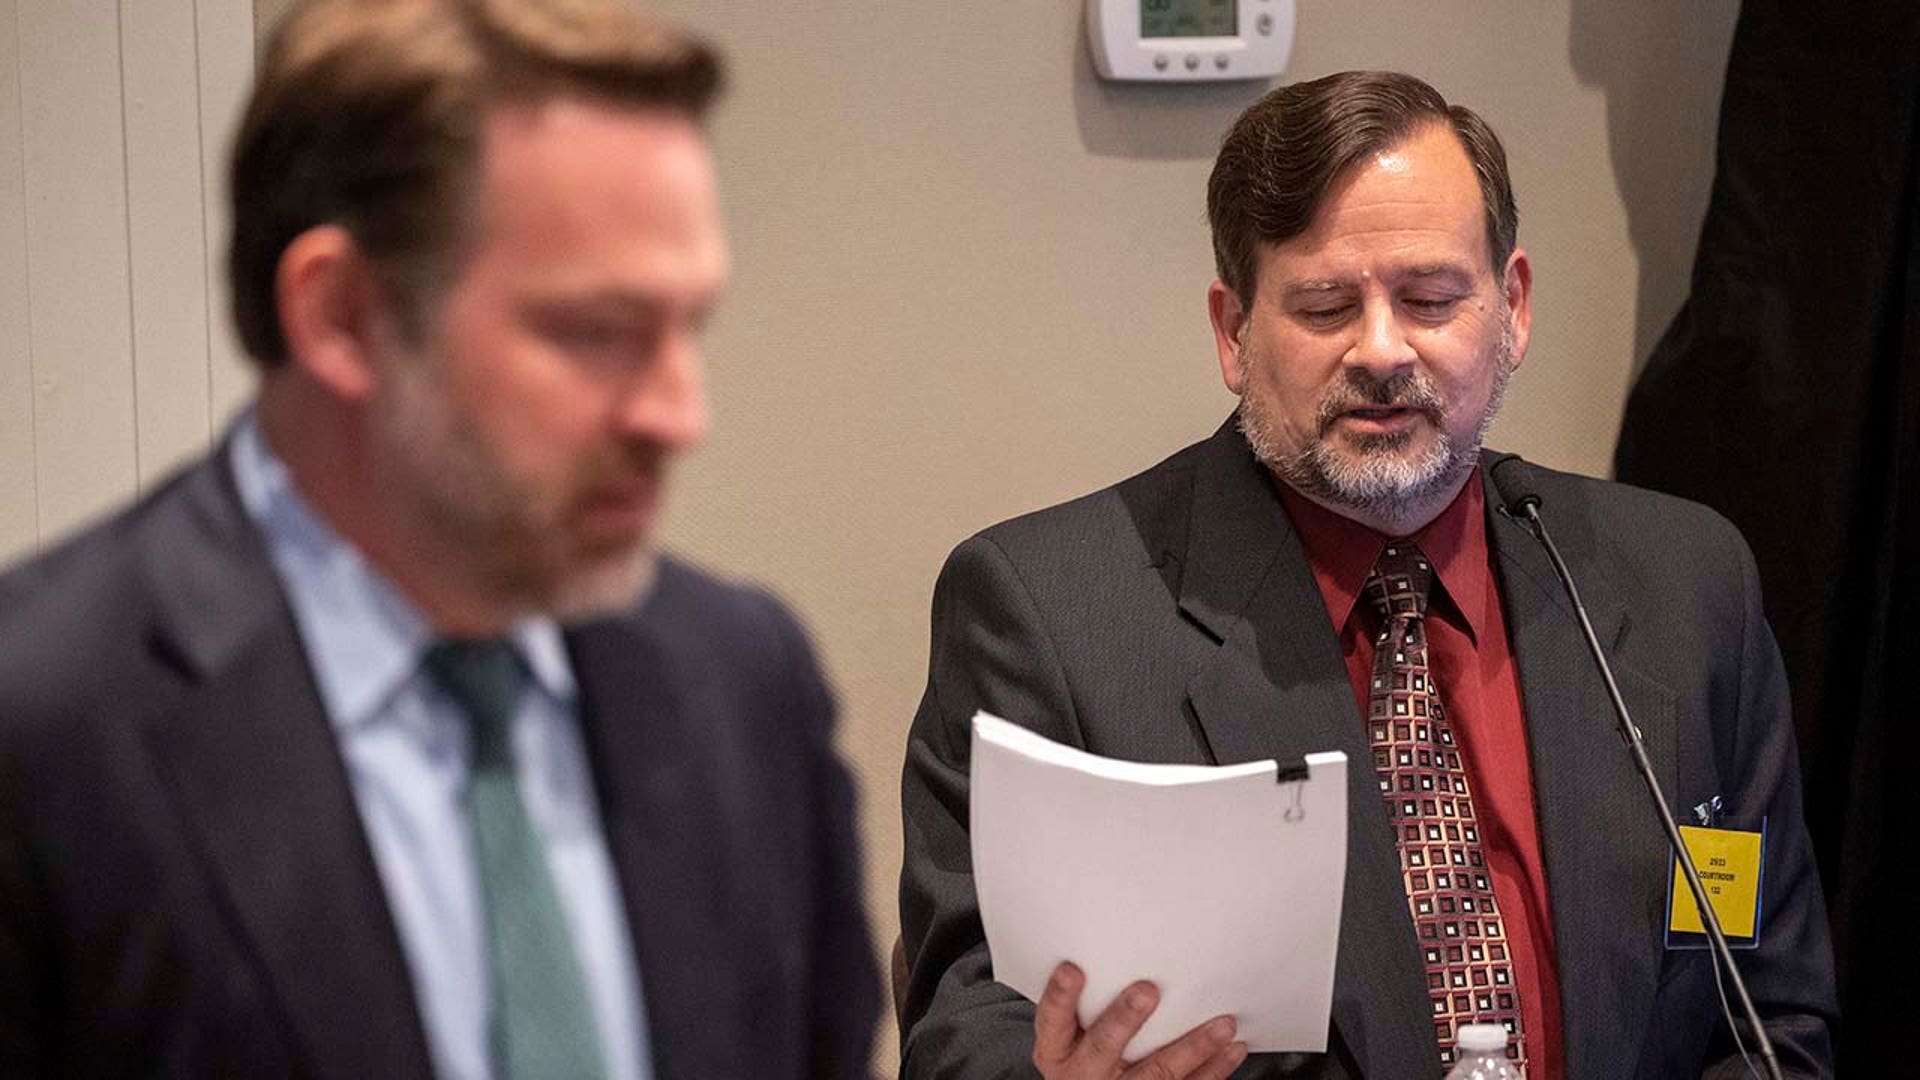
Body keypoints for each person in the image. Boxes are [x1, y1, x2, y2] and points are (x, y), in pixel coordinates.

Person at [898, 71, 1836, 1079]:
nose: (1382, 351)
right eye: (1324, 305)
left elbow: (1768, 1024)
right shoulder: (1051, 614)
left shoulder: (1687, 583)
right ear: (1233, 331)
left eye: (1430, 299)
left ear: (1511, 307)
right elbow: (968, 1036)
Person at [0, 1, 878, 1077]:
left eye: (689, 329)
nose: (678, 415)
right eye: (598, 334)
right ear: (345, 317)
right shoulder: (43, 728)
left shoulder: (743, 682)